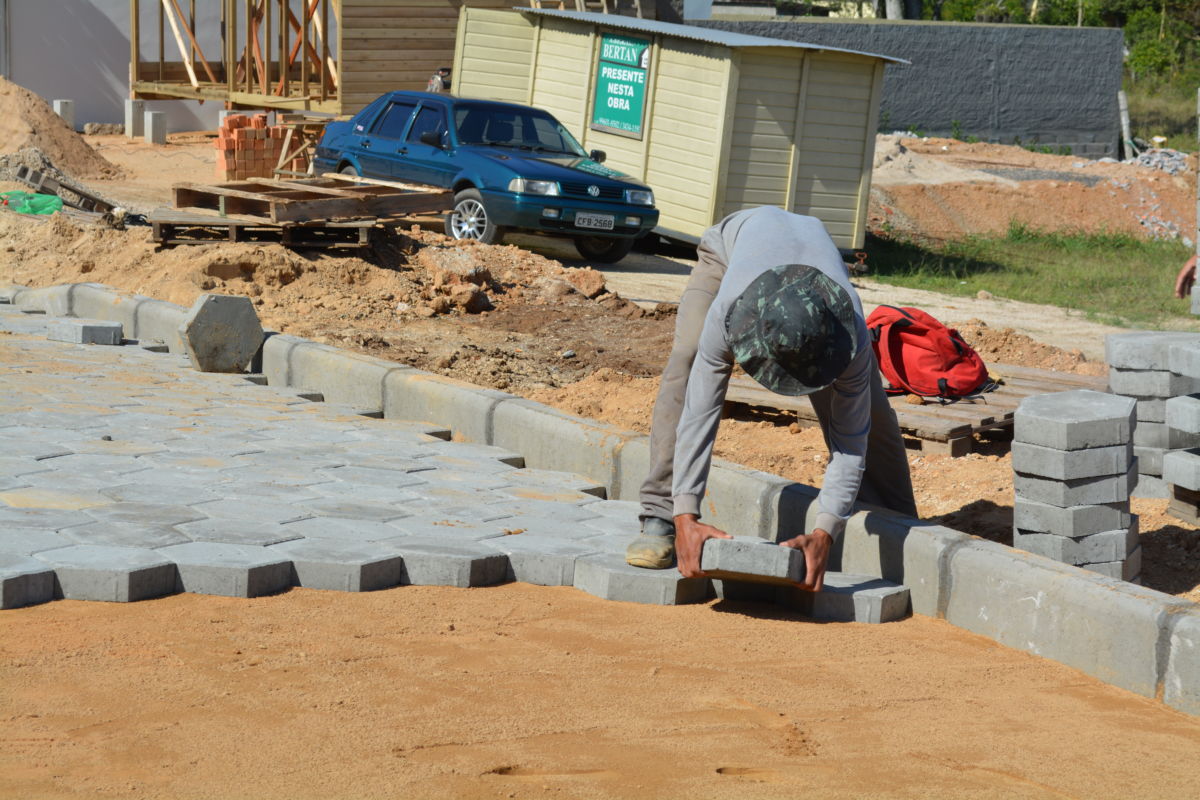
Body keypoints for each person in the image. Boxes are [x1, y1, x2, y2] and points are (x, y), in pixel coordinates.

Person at [624, 206, 917, 590]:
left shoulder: (850, 332)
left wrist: (825, 529)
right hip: (728, 251)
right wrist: (686, 516)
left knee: (870, 409)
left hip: (805, 251)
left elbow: (850, 441)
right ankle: (661, 513)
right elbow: (701, 413)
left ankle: (897, 519)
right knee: (688, 357)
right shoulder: (728, 315)